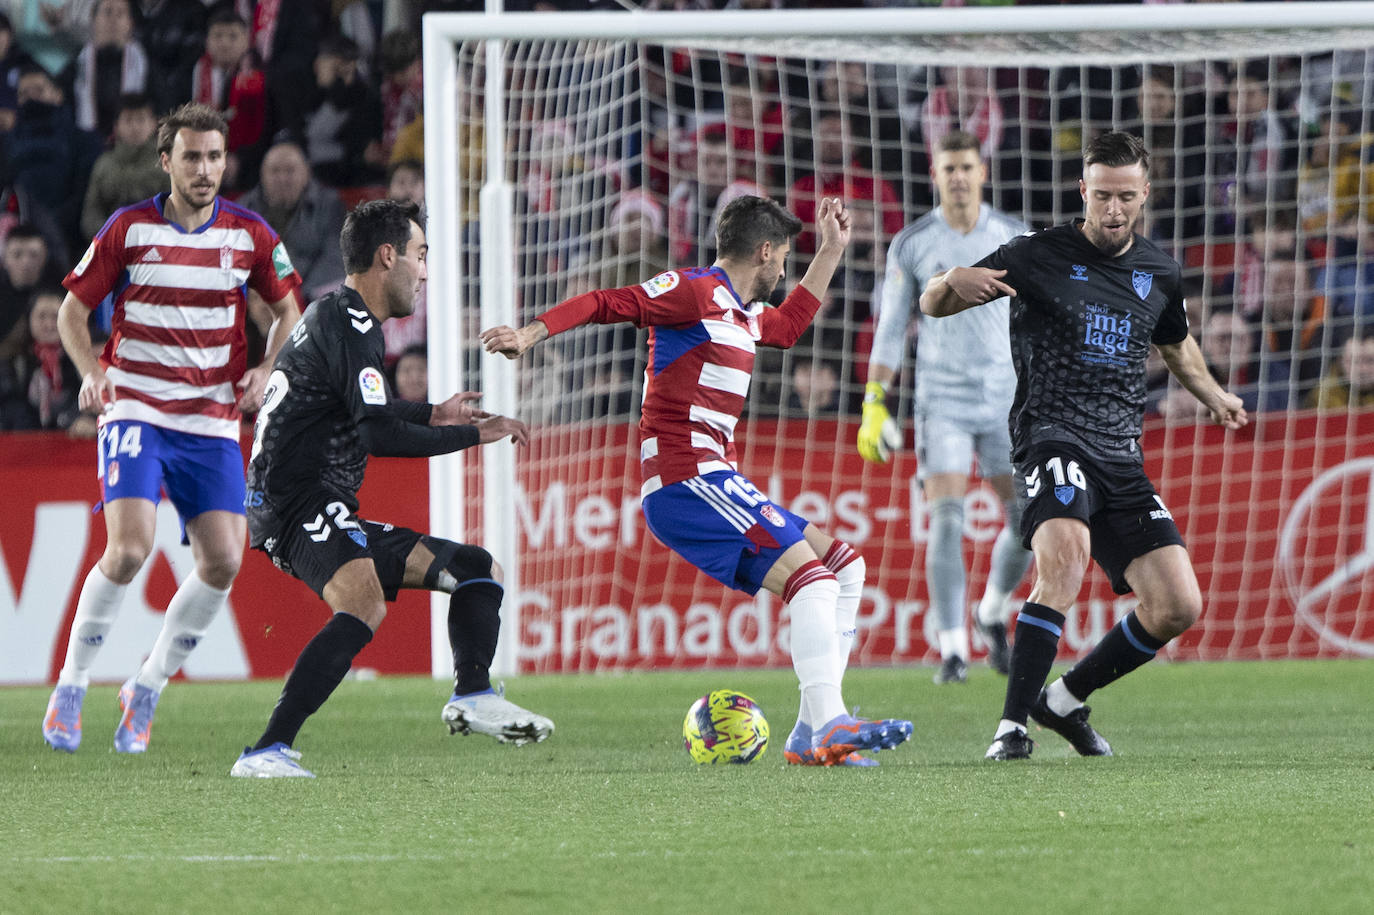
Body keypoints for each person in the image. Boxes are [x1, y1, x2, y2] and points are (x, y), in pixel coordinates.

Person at [482, 195, 914, 767]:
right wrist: (532, 333)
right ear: (763, 252)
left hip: (718, 476)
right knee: (811, 582)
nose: (784, 271)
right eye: (783, 258)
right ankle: (830, 724)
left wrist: (832, 251)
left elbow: (785, 328)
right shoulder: (693, 291)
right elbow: (606, 301)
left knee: (844, 566)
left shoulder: (741, 312)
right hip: (686, 479)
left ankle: (812, 733)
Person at [919, 132, 1248, 761]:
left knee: (1179, 605)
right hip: (1051, 436)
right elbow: (934, 304)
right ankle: (1011, 729)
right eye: (1102, 196)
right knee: (1064, 557)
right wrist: (949, 279)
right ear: (1083, 192)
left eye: (1126, 196)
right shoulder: (1037, 254)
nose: (1114, 209)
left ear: (1145, 194)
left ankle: (1063, 701)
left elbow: (1177, 346)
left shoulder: (1158, 271)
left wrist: (1214, 395)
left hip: (1121, 453)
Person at [230, 199, 548, 779]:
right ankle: (266, 751)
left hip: (317, 502)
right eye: (420, 255)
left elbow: (365, 408)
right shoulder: (347, 321)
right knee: (364, 602)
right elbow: (375, 432)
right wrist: (473, 434)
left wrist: (436, 413)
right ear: (388, 256)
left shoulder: (344, 319)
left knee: (479, 569)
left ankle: (473, 695)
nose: (425, 271)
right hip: (294, 504)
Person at [41, 102, 302, 755]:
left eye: (214, 157)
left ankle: (146, 686)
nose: (205, 169)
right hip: (137, 406)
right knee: (129, 548)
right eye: (191, 156)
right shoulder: (129, 228)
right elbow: (73, 313)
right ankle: (71, 686)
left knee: (223, 559)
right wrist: (94, 372)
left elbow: (288, 311)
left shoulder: (249, 234)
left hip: (211, 418)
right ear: (167, 161)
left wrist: (268, 365)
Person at [859, 130, 1033, 685]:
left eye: (966, 166)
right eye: (948, 167)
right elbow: (891, 329)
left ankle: (991, 613)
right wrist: (874, 399)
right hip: (943, 403)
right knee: (947, 519)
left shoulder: (1012, 237)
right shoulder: (912, 242)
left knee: (1028, 519)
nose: (958, 176)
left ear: (983, 172)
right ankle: (953, 650)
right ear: (935, 174)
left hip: (1007, 398)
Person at [236, 140, 346, 299]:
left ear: (307, 173)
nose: (282, 178)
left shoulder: (329, 205)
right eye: (274, 171)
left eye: (290, 171)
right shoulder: (242, 210)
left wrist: (298, 296)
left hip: (310, 301)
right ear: (262, 175)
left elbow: (334, 259)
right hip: (256, 302)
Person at [79, 93, 164, 241]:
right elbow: (91, 213)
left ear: (154, 124)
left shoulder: (167, 164)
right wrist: (111, 233)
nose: (135, 127)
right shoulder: (104, 164)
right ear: (116, 126)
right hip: (112, 244)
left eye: (141, 119)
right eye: (128, 120)